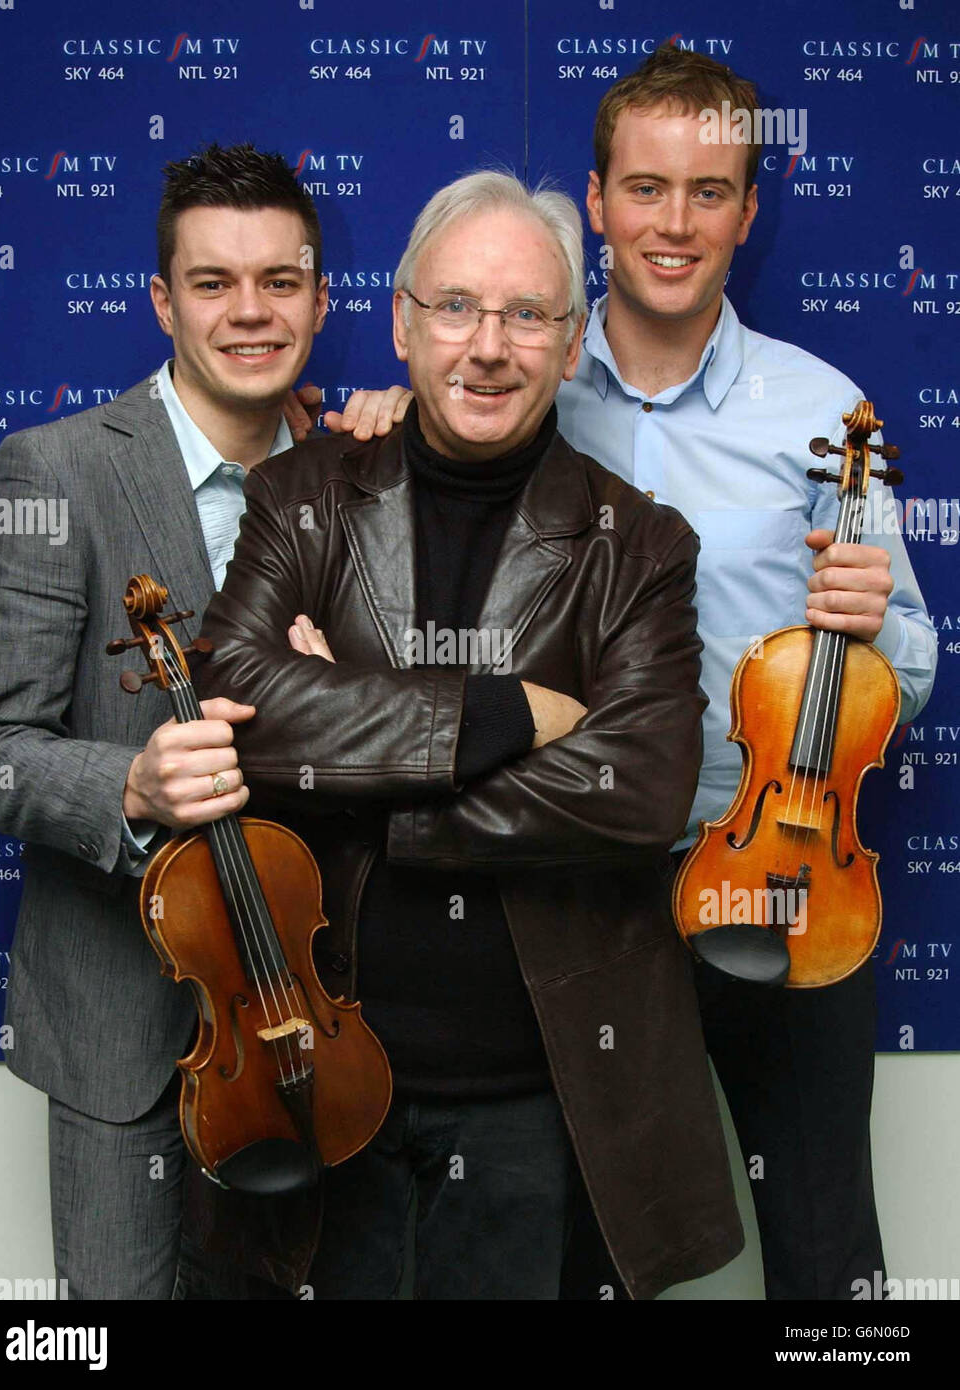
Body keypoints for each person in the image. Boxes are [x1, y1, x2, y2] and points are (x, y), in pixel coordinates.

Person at [193, 169, 745, 1300]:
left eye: (526, 315)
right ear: (402, 320)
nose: (486, 346)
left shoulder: (636, 545)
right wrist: (496, 717)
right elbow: (237, 703)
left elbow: (640, 791)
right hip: (317, 1069)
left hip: (539, 1098)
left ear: (570, 337)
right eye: (454, 307)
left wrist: (355, 744)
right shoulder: (299, 495)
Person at [0, 141, 404, 1299]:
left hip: (319, 1025)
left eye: (279, 281)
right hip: (125, 1034)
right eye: (212, 283)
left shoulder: (366, 479)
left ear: (318, 296)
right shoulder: (53, 470)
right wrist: (127, 790)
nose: (249, 313)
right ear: (162, 300)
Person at [554, 46, 937, 1299]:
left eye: (707, 191)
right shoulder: (518, 393)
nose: (674, 223)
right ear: (596, 199)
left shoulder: (822, 409)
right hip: (579, 880)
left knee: (823, 1238)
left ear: (747, 211)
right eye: (646, 188)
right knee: (573, 1239)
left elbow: (915, 664)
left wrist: (874, 628)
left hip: (782, 872)